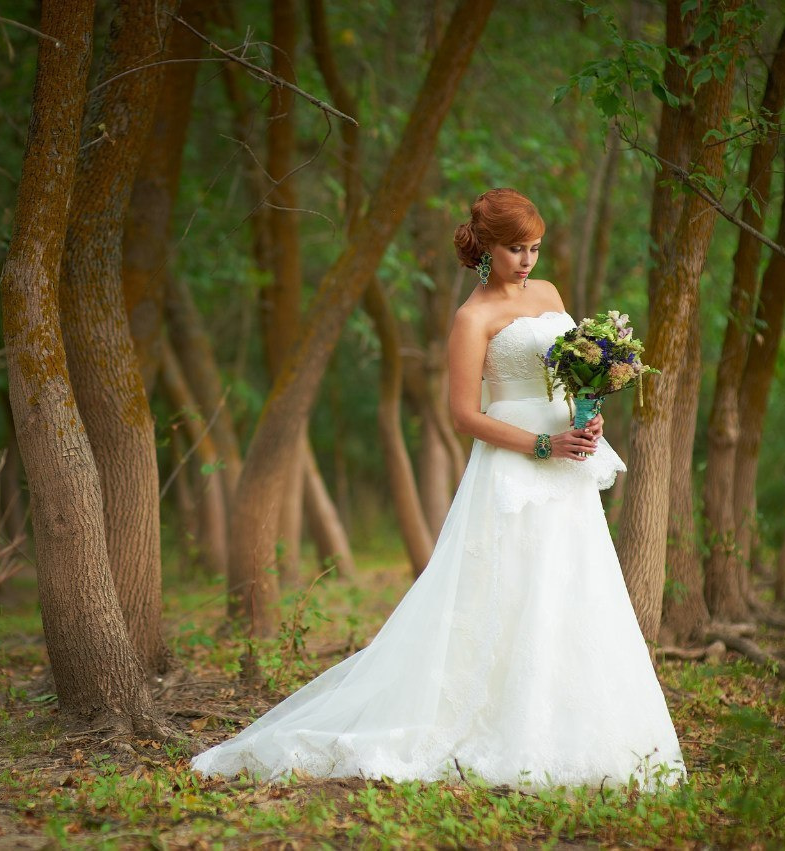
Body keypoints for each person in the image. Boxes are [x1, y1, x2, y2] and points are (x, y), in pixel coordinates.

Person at [191, 188, 686, 790]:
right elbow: (463, 416)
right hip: (514, 465)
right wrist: (540, 446)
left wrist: (587, 413)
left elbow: (569, 370)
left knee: (569, 585)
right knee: (507, 593)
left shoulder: (551, 295)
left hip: (568, 463)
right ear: (485, 248)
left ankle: (574, 723)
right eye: (514, 249)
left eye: (533, 249)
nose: (526, 261)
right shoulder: (471, 318)